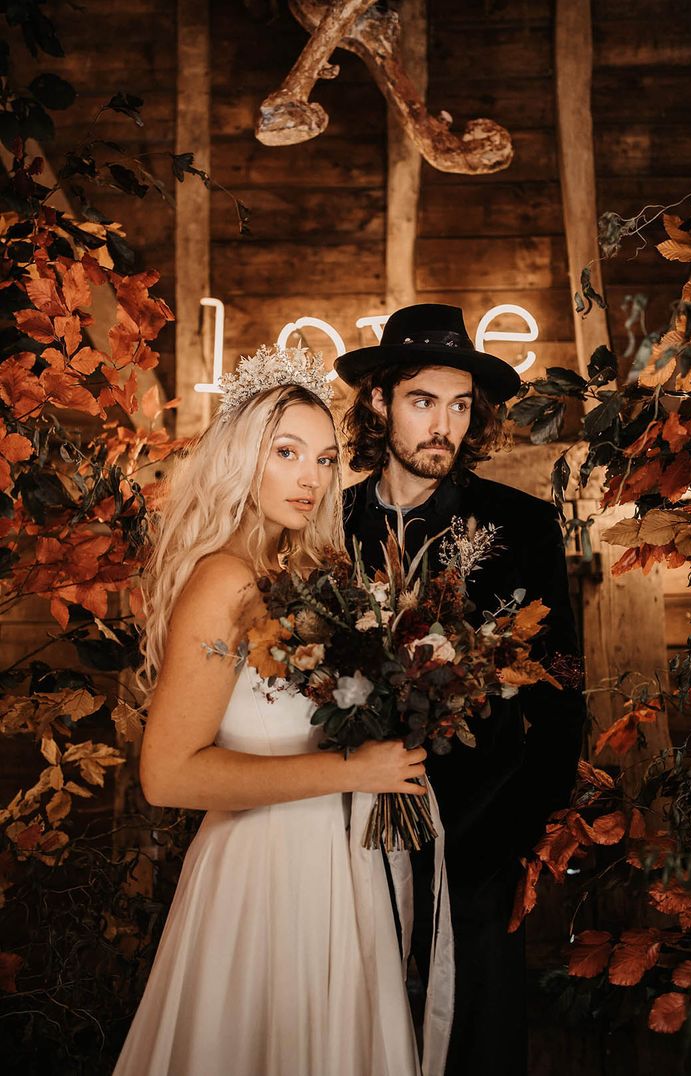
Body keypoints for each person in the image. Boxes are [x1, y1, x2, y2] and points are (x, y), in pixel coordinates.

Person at [113, 345, 430, 1076]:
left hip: (335, 867)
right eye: (287, 452)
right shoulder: (222, 578)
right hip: (262, 879)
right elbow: (167, 776)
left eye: (325, 460)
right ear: (242, 458)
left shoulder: (301, 577)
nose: (311, 478)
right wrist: (354, 769)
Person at [337, 304, 587, 1076]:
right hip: (341, 833)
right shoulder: (324, 521)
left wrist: (511, 840)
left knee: (478, 1043)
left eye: (459, 404)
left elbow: (562, 693)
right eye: (423, 401)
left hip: (479, 838)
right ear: (379, 402)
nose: (443, 423)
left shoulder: (522, 525)